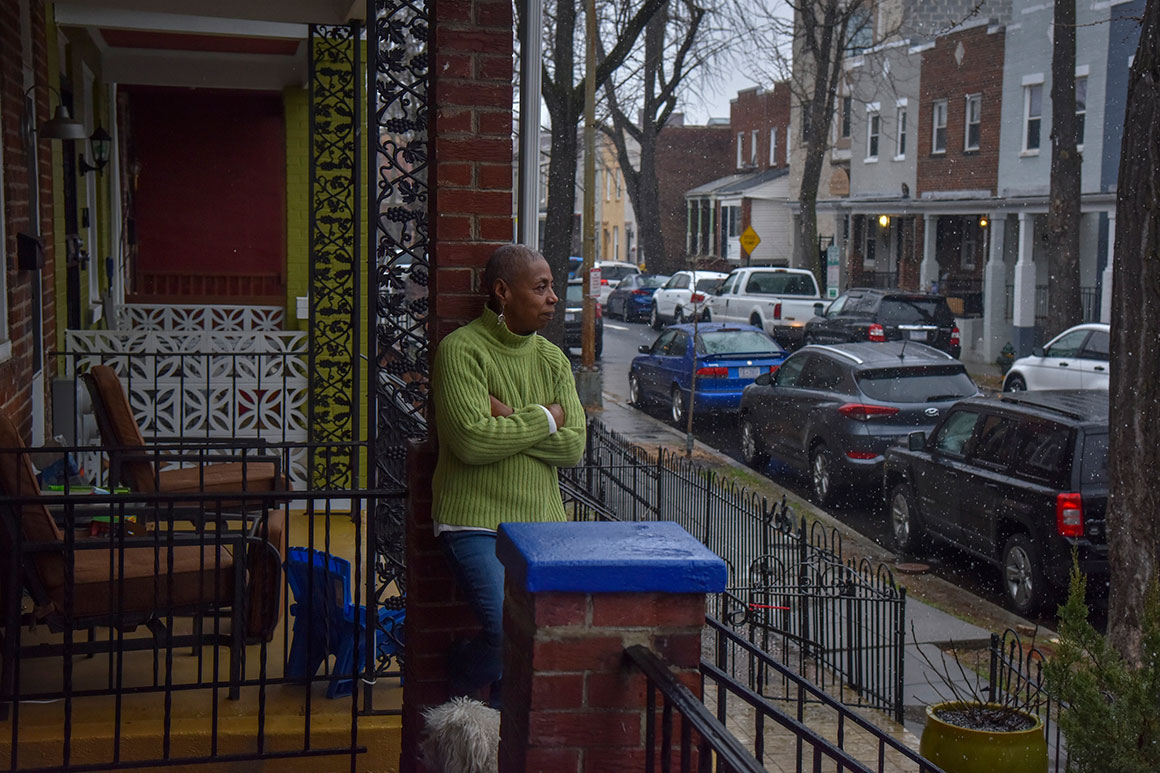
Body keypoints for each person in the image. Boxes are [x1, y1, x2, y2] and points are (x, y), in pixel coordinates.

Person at [430, 244, 586, 709]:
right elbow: (472, 442)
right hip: (474, 523)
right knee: (505, 631)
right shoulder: (460, 352)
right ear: (502, 292)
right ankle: (461, 668)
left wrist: (514, 416)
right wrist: (546, 417)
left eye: (553, 286)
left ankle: (501, 739)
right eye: (541, 288)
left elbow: (574, 447)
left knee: (538, 639)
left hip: (542, 527)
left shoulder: (553, 359)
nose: (554, 297)